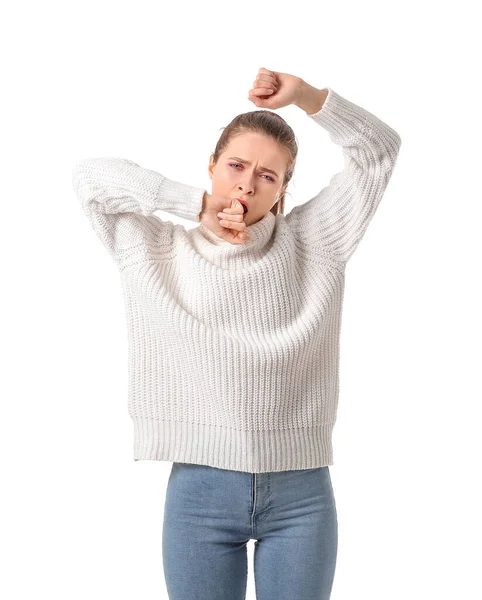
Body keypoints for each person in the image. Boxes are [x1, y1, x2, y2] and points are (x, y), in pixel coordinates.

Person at [72, 67, 402, 600]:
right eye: (236, 165)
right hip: (199, 494)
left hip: (301, 495)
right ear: (211, 167)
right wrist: (194, 206)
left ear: (283, 190)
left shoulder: (314, 241)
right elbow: (91, 180)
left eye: (268, 176)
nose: (247, 184)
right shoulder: (156, 248)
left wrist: (307, 98)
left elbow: (379, 152)